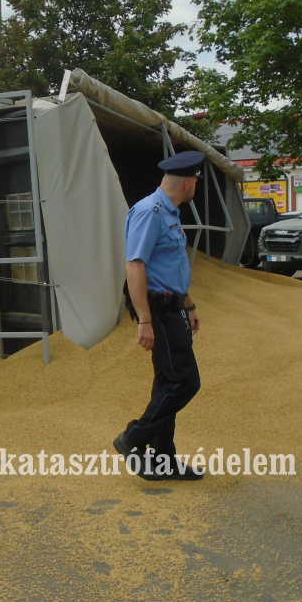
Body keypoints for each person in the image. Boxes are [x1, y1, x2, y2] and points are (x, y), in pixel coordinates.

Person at [113, 150, 206, 482]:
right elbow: (134, 265)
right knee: (184, 381)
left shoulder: (170, 212)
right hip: (157, 310)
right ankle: (133, 437)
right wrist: (145, 320)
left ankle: (164, 459)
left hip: (172, 305)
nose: (195, 185)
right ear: (187, 182)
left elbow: (170, 266)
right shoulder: (149, 212)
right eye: (195, 181)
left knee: (169, 382)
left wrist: (189, 304)